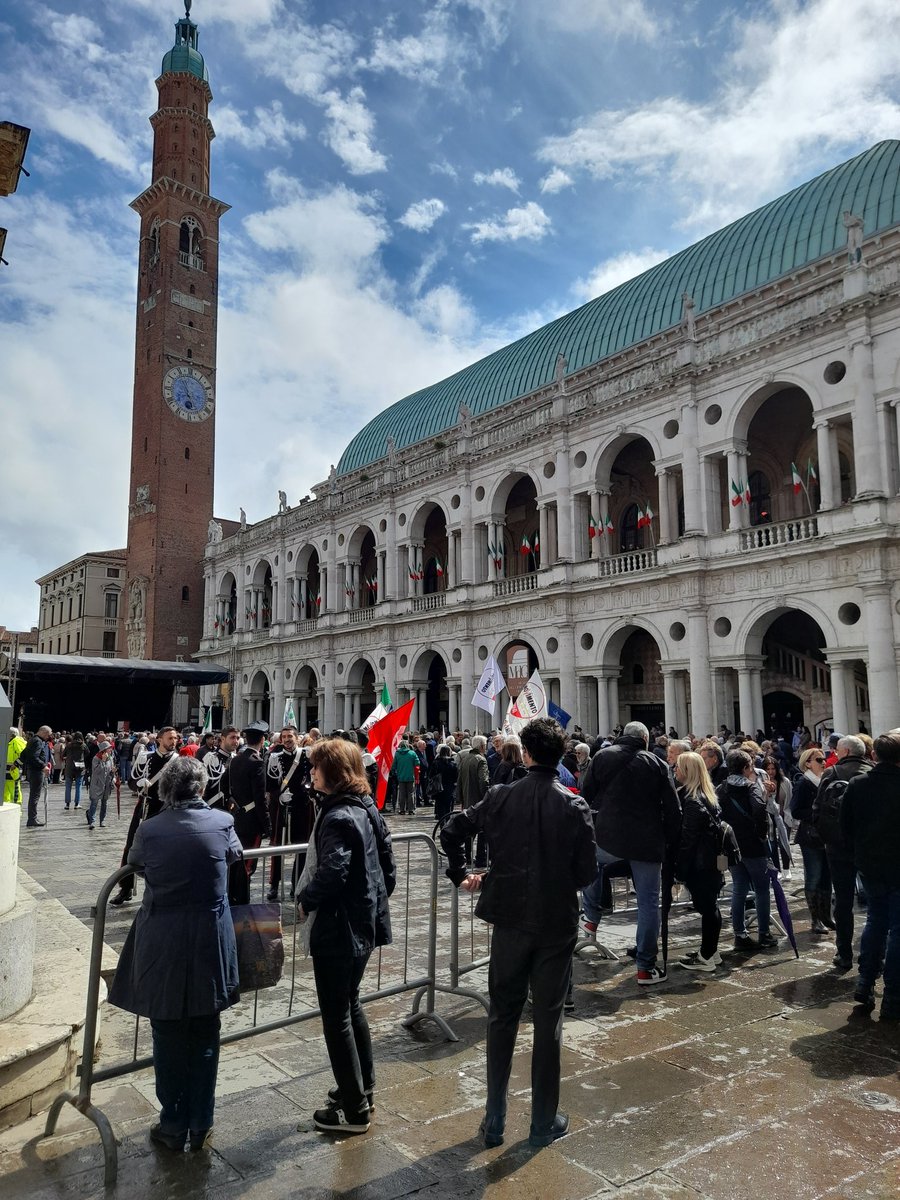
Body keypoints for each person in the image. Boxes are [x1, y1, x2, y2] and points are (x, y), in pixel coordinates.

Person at [440, 717, 597, 1149]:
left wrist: (461, 874)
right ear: (559, 754)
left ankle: (494, 1119)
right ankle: (543, 1121)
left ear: (526, 754)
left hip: (509, 919)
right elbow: (586, 873)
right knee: (548, 1020)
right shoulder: (574, 804)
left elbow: (452, 831)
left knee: (502, 1015)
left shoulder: (499, 796)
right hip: (555, 923)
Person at [108, 756, 241, 1152]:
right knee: (205, 1028)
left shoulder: (150, 829)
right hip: (209, 938)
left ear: (167, 788)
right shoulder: (222, 823)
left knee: (166, 1029)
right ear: (201, 786)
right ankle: (202, 1121)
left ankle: (173, 1122)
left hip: (162, 938)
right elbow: (234, 857)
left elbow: (135, 863)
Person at [297, 737, 395, 1134]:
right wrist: (370, 900)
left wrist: (307, 898)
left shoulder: (338, 816)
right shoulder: (367, 807)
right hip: (365, 920)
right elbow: (388, 868)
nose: (312, 773)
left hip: (340, 927)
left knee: (336, 1015)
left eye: (317, 767)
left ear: (333, 773)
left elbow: (334, 870)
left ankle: (354, 1111)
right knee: (351, 1005)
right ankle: (362, 1087)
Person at [580, 721, 682, 984]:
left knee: (591, 861)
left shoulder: (602, 756)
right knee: (648, 903)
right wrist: (672, 842)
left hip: (610, 836)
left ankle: (590, 916)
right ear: (646, 739)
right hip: (647, 842)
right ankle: (645, 968)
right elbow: (673, 808)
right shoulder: (657, 763)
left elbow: (585, 794)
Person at [841, 730, 900, 1020]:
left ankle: (865, 982)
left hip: (870, 865)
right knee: (898, 930)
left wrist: (861, 851)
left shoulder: (858, 784)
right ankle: (893, 995)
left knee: (875, 921)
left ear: (874, 755)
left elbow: (846, 826)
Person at [813, 735, 872, 969]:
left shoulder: (832, 773)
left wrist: (827, 836)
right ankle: (875, 950)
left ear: (844, 752)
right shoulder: (875, 772)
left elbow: (817, 810)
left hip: (839, 846)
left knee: (844, 901)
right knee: (877, 901)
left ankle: (844, 952)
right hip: (871, 845)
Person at [111, 727, 179, 906]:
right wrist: (139, 785)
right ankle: (125, 888)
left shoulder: (178, 761)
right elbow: (133, 783)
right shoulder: (146, 758)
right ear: (159, 739)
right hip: (146, 807)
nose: (174, 741)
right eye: (170, 738)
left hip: (167, 809)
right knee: (132, 846)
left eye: (175, 738)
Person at [718, 749, 778, 950]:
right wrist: (761, 833)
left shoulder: (721, 789)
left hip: (732, 846)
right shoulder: (751, 788)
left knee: (739, 889)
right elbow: (760, 809)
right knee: (762, 889)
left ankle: (740, 934)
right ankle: (764, 933)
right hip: (752, 845)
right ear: (745, 768)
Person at [673, 752, 725, 972]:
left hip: (701, 864)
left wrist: (680, 871)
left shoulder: (693, 801)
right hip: (710, 861)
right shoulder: (707, 795)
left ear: (687, 772)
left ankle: (707, 955)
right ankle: (710, 950)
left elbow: (688, 841)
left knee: (707, 907)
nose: (675, 771)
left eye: (677, 767)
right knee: (709, 905)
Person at [265, 726, 313, 900]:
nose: (287, 739)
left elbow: (312, 778)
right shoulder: (274, 758)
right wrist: (279, 796)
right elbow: (269, 785)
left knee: (302, 847)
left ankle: (297, 884)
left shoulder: (307, 756)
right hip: (282, 807)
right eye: (284, 737)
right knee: (278, 846)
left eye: (290, 736)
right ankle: (274, 885)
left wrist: (308, 791)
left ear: (297, 737)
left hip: (302, 806)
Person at [790, 746, 834, 934]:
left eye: (823, 759)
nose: (823, 762)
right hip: (810, 836)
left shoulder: (827, 779)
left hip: (827, 835)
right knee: (814, 876)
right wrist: (817, 813)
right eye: (818, 760)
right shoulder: (804, 783)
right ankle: (816, 919)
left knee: (827, 876)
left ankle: (827, 916)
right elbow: (796, 810)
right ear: (808, 763)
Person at [227, 723, 271, 904]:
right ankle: (241, 902)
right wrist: (267, 824)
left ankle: (233, 896)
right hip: (252, 820)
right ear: (263, 740)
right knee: (248, 864)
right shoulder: (257, 762)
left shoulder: (235, 759)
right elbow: (259, 798)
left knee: (237, 861)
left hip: (238, 816)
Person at [21, 725, 52, 828]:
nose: (48, 737)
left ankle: (32, 818)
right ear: (43, 732)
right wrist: (43, 766)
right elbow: (33, 757)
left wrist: (16, 763)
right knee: (35, 795)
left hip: (32, 771)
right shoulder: (38, 741)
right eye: (48, 735)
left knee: (33, 795)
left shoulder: (32, 740)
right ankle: (32, 819)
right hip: (36, 771)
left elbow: (24, 754)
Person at [86, 740, 115, 830]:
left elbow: (110, 770)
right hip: (97, 783)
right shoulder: (96, 758)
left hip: (107, 783)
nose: (110, 749)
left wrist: (113, 772)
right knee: (94, 802)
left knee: (104, 803)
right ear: (104, 750)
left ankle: (102, 820)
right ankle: (92, 821)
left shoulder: (110, 758)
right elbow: (96, 771)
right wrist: (102, 760)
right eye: (109, 748)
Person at [390, 736, 419, 816]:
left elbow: (393, 766)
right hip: (410, 776)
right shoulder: (412, 753)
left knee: (402, 794)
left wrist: (394, 772)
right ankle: (411, 810)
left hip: (401, 777)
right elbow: (417, 763)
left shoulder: (397, 754)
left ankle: (402, 810)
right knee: (411, 793)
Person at [430, 743, 459, 823]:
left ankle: (442, 825)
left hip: (438, 788)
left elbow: (431, 775)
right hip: (449, 788)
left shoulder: (436, 763)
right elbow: (456, 777)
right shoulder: (452, 764)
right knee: (448, 809)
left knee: (440, 809)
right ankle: (447, 825)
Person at [62, 732, 87, 811]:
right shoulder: (83, 745)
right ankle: (77, 803)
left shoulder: (69, 745)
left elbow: (63, 754)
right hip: (80, 765)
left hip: (70, 766)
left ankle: (67, 804)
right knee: (78, 785)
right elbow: (87, 753)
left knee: (68, 786)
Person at [5, 726, 27, 807]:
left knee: (14, 792)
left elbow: (24, 755)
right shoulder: (8, 742)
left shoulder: (17, 741)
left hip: (13, 772)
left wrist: (16, 763)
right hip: (6, 772)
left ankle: (17, 810)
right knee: (5, 793)